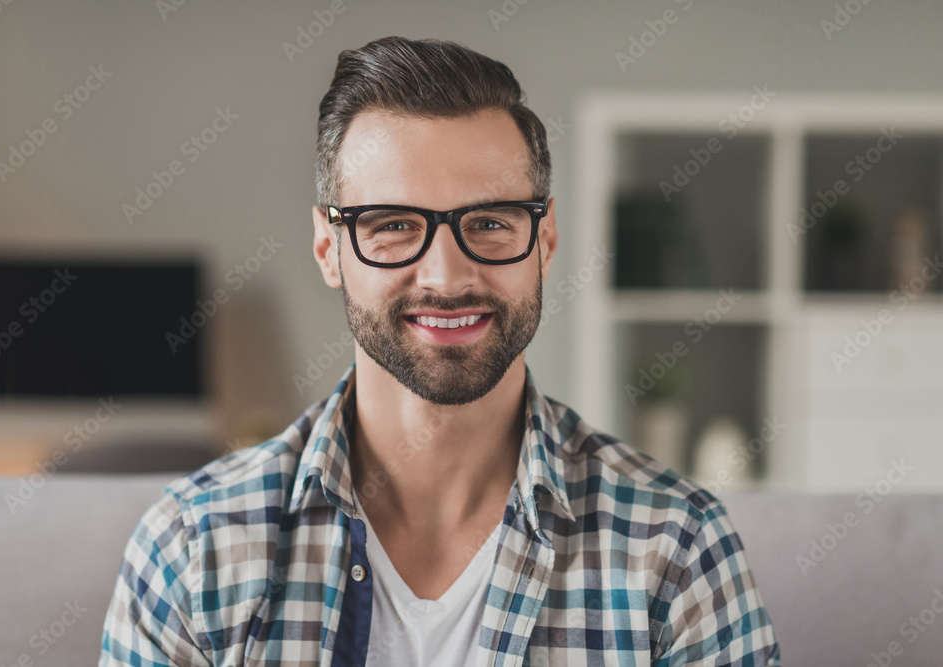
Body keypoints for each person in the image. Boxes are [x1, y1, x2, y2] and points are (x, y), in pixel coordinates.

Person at [99, 35, 781, 666]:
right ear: (328, 248)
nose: (447, 277)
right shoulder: (193, 548)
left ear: (544, 240)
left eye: (488, 222)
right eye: (393, 225)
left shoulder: (678, 549)